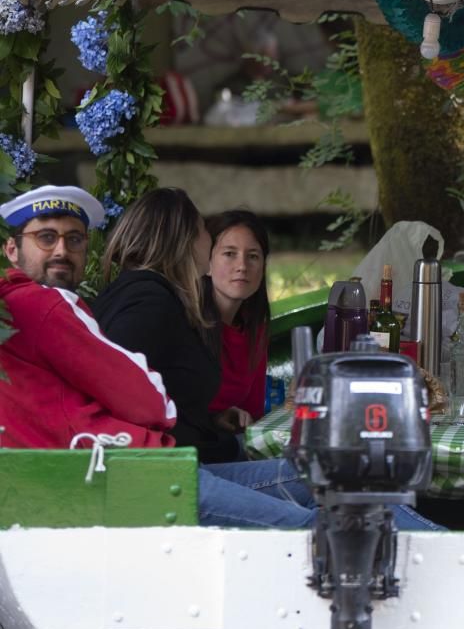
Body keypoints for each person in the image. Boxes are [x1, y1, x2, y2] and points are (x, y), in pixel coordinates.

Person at [0, 186, 314, 528]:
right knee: (311, 526)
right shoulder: (53, 304)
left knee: (319, 486)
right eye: (46, 237)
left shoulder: (33, 307)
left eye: (74, 240)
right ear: (12, 249)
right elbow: (134, 390)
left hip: (124, 468)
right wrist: (167, 411)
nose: (62, 250)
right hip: (131, 474)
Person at [93, 188, 244, 464]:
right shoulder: (149, 303)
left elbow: (161, 389)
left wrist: (208, 420)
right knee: (310, 481)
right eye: (203, 228)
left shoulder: (150, 296)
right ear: (184, 240)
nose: (209, 239)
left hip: (192, 457)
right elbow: (114, 392)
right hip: (167, 474)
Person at [203, 210, 269, 424]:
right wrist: (213, 419)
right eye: (229, 254)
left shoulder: (255, 330)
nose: (242, 266)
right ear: (207, 263)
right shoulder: (186, 321)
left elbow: (253, 414)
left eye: (253, 256)